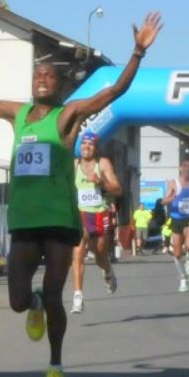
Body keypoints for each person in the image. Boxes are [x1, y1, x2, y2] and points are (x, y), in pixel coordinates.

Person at [0, 12, 162, 377]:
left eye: (49, 75)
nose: (42, 79)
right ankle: (32, 305)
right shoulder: (17, 115)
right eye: (37, 76)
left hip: (60, 223)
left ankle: (55, 367)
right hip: (24, 223)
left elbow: (114, 91)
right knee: (18, 300)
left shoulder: (69, 116)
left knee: (54, 295)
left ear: (60, 85)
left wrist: (137, 52)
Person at [70, 133, 122, 314]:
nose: (86, 147)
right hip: (81, 213)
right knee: (78, 252)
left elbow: (118, 189)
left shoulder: (103, 164)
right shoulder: (74, 165)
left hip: (100, 213)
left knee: (100, 253)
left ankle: (107, 271)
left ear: (96, 148)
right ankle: (78, 296)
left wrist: (101, 181)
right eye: (84, 143)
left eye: (90, 144)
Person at [163, 158, 189, 292]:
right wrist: (171, 198)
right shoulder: (173, 183)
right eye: (185, 166)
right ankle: (183, 277)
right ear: (180, 168)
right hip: (176, 220)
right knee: (177, 253)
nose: (187, 168)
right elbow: (164, 201)